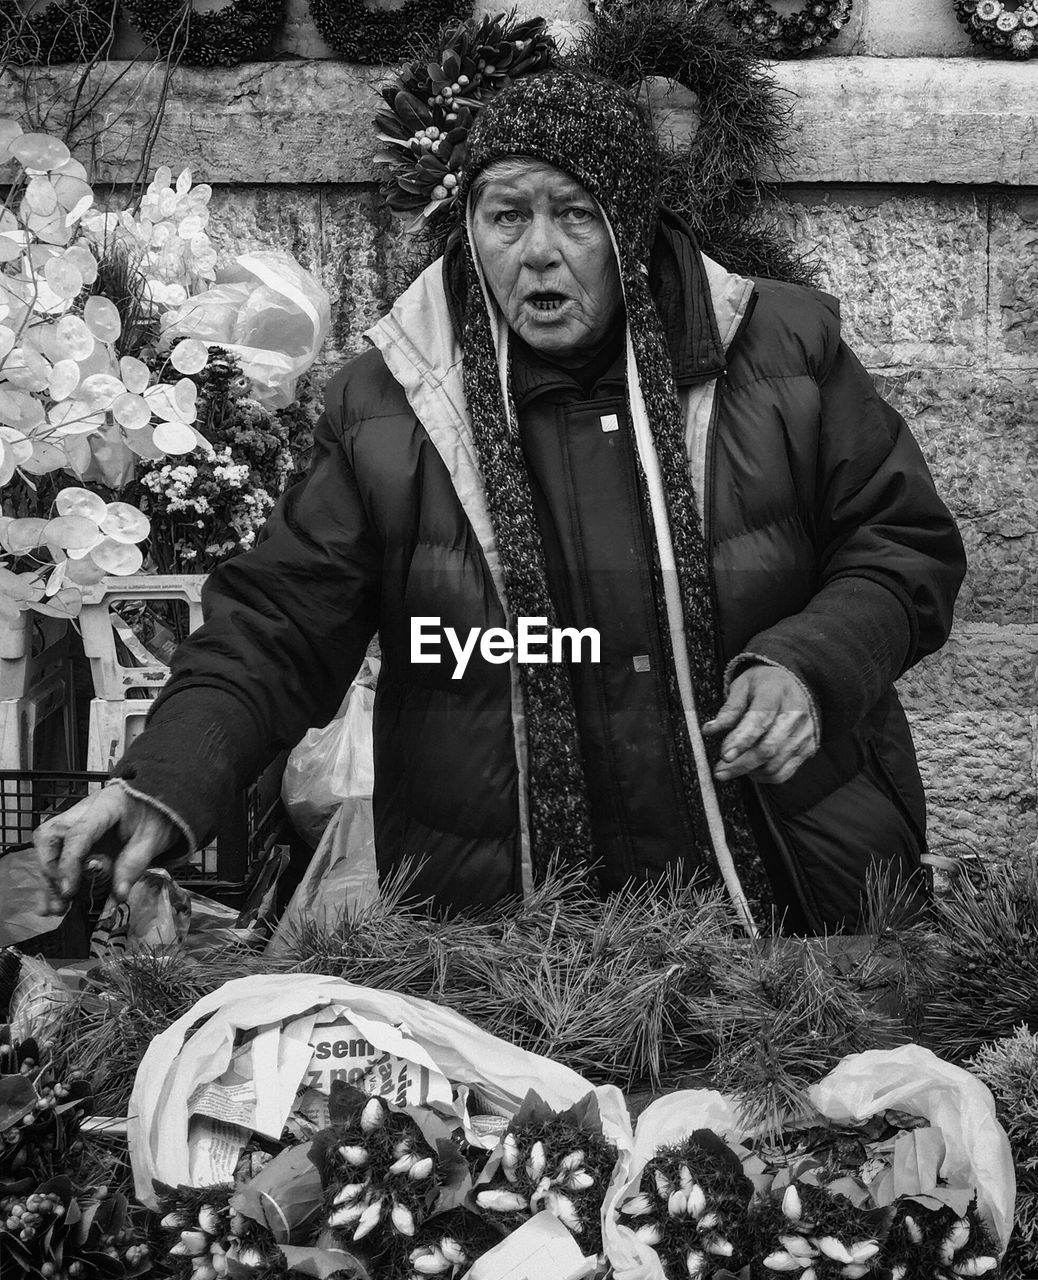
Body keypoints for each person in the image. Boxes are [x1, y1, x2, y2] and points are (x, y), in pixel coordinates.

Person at [34, 70, 965, 934]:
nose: (540, 254)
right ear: (470, 226)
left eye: (576, 215)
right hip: (503, 921)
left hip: (794, 891)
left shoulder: (780, 351)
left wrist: (812, 666)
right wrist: (168, 777)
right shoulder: (390, 401)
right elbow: (280, 618)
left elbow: (901, 549)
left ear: (631, 223)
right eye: (507, 216)